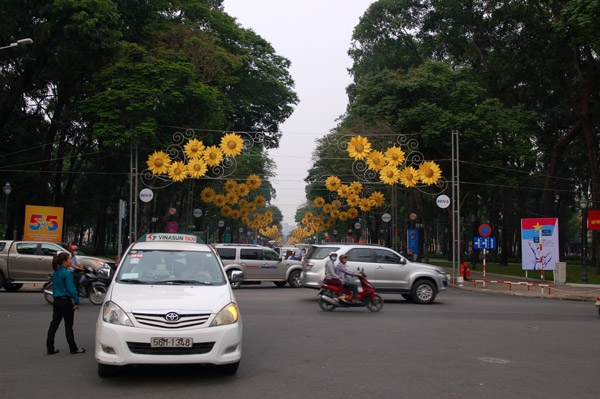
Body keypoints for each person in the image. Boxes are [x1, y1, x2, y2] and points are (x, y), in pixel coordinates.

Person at [46, 252, 85, 355]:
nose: (71, 261)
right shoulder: (67, 274)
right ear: (64, 261)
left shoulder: (56, 273)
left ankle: (50, 347)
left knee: (54, 324)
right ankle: (73, 348)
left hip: (57, 301)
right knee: (68, 326)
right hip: (66, 301)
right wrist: (76, 301)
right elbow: (71, 289)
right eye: (69, 260)